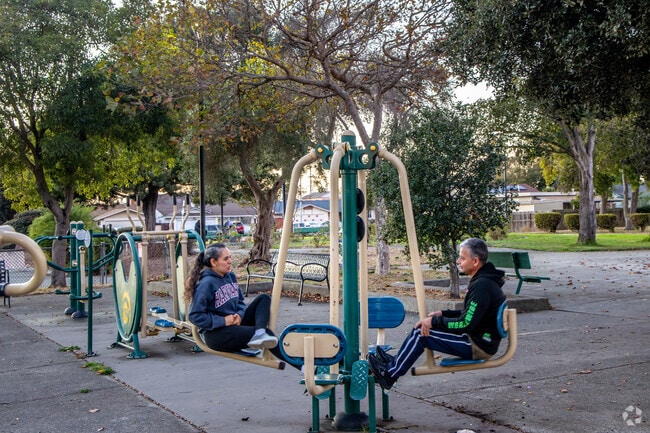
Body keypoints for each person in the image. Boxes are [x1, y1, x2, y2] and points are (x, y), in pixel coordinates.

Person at [367, 237, 506, 390]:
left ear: (475, 261)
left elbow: (465, 323)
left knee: (422, 334)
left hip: (477, 345)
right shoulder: (482, 281)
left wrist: (434, 322)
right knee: (420, 328)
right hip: (476, 338)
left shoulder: (482, 285)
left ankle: (389, 375)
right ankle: (393, 363)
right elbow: (470, 314)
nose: (458, 261)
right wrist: (442, 313)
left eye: (462, 258)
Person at [185, 243, 283, 356]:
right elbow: (195, 316)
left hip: (235, 325)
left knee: (264, 298)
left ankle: (260, 333)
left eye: (230, 257)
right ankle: (300, 365)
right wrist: (224, 321)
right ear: (213, 262)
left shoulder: (230, 277)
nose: (230, 261)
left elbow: (240, 302)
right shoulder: (206, 284)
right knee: (269, 334)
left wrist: (239, 315)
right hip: (217, 335)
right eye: (226, 258)